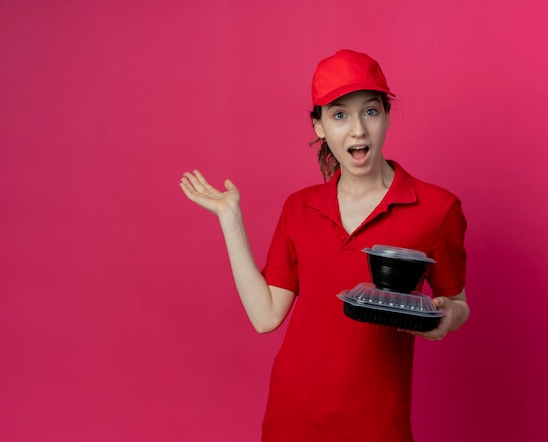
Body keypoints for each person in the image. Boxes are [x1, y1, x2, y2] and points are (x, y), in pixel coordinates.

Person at [180, 49, 469, 442]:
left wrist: (446, 318)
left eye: (370, 111)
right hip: (292, 418)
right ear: (318, 127)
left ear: (386, 116)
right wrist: (230, 220)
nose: (357, 131)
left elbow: (458, 303)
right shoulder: (300, 207)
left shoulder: (437, 208)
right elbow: (265, 317)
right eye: (339, 115)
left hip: (377, 425)